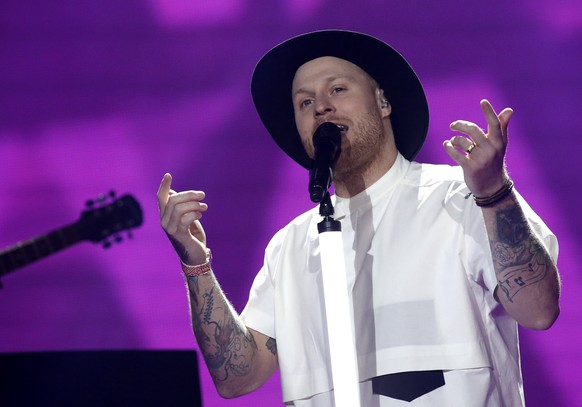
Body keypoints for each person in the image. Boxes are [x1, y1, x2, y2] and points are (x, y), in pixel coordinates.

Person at [157, 30, 561, 406]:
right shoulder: (290, 245)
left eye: (337, 89)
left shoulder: (458, 196)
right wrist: (196, 264)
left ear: (383, 103)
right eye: (305, 102)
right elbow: (235, 378)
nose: (322, 107)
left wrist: (493, 193)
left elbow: (539, 310)